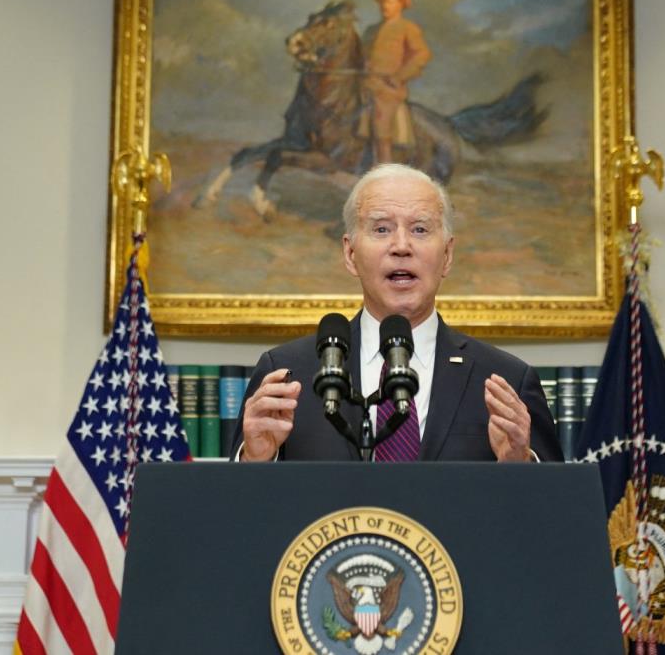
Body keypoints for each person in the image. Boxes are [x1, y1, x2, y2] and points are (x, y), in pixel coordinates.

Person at [232, 164, 562, 462]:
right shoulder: (287, 376)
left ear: (447, 255)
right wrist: (255, 461)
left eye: (420, 229)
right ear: (350, 253)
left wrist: (520, 466)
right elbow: (233, 515)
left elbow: (555, 515)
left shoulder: (505, 382)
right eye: (381, 229)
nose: (401, 246)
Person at [359, 0, 432, 165]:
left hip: (388, 88)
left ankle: (384, 166)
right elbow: (361, 56)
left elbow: (422, 54)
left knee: (380, 120)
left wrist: (399, 77)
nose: (385, 6)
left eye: (390, 2)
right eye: (383, 2)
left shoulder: (407, 28)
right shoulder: (370, 31)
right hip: (365, 84)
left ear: (401, 4)